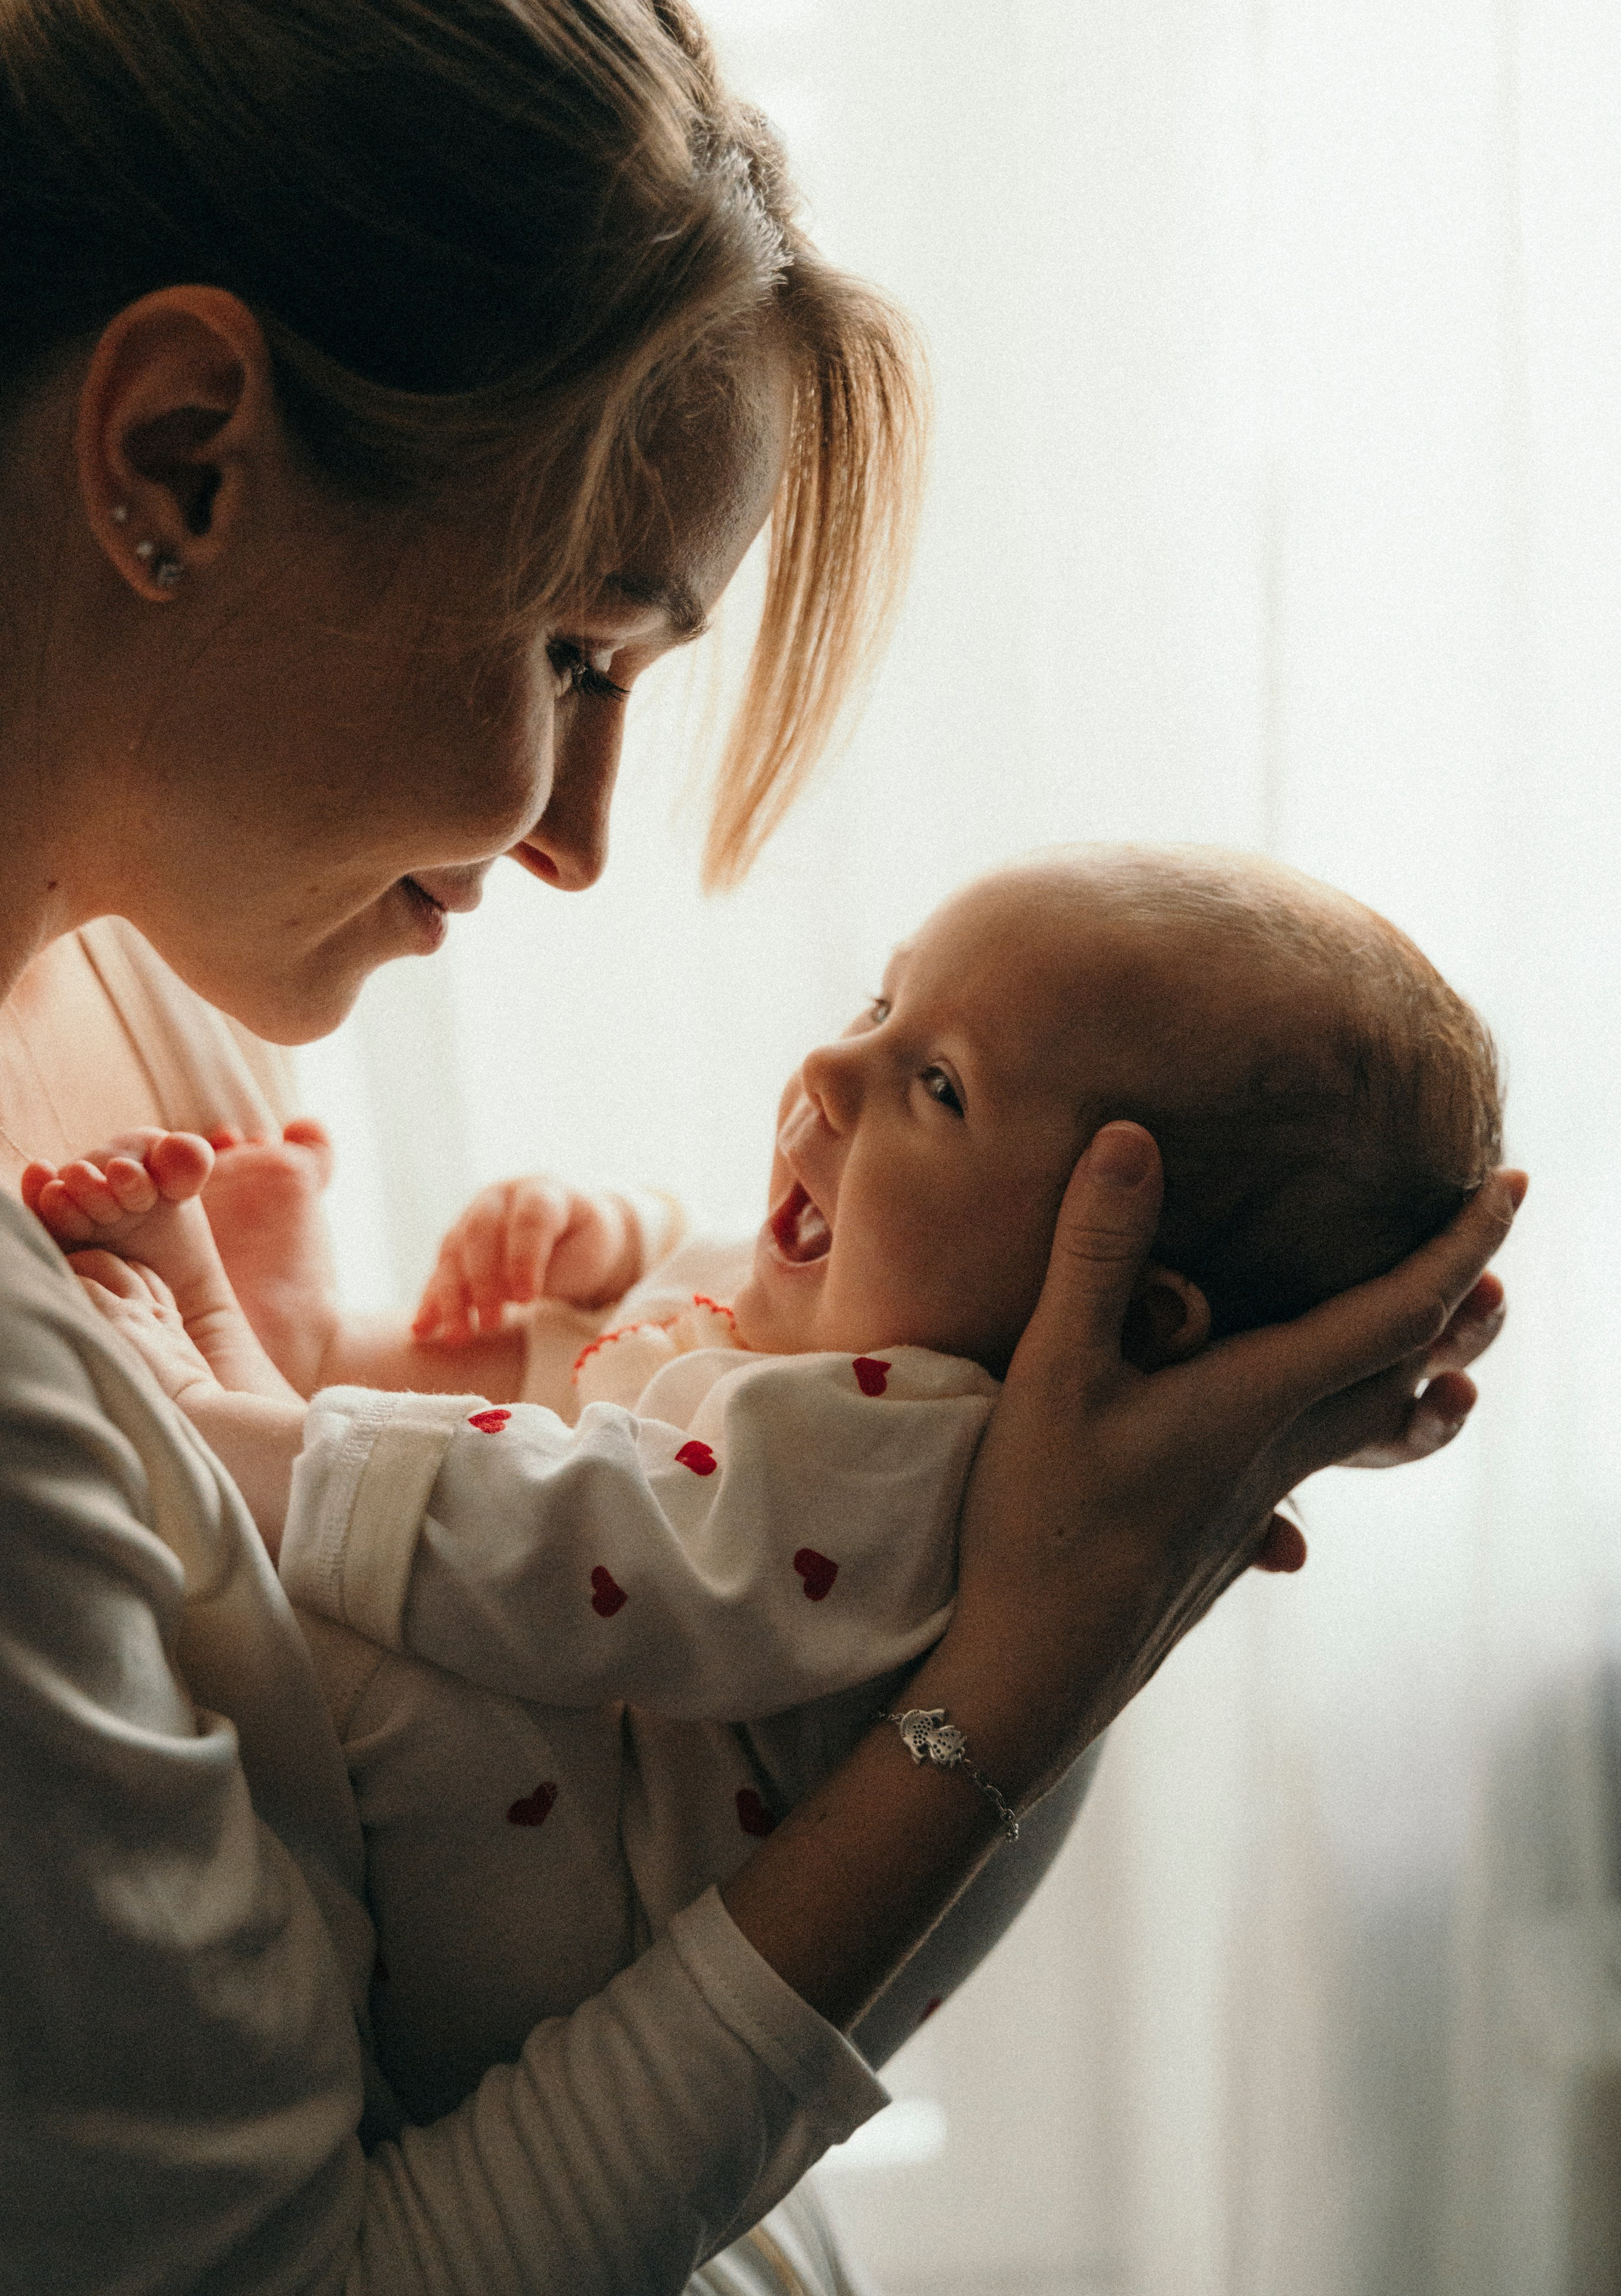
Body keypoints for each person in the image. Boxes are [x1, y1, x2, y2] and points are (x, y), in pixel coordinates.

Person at [0, 0, 1520, 2286]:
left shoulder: (143, 958)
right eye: (582, 653)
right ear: (179, 458)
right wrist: (1027, 1683)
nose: (587, 840)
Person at [28, 845, 1505, 2133]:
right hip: (571, 1828)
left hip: (528, 1947)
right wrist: (624, 1237)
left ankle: (230, 1394)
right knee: (584, 1394)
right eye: (878, 1007)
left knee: (455, 1589)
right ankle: (295, 1356)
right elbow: (726, 1303)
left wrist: (221, 1436)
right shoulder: (917, 1351)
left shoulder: (921, 1455)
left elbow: (615, 1551)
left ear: (1122, 1300)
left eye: (935, 1086)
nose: (829, 1070)